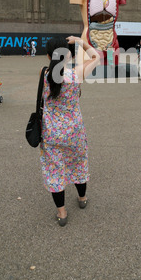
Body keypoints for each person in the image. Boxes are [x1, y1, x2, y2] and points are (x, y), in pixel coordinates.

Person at [39, 35, 100, 226]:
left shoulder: (44, 75)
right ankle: (82, 199)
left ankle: (62, 213)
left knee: (54, 170)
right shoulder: (77, 74)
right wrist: (81, 42)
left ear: (49, 56)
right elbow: (96, 57)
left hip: (51, 132)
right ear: (68, 55)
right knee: (78, 164)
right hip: (74, 131)